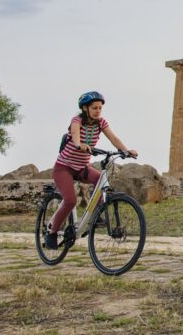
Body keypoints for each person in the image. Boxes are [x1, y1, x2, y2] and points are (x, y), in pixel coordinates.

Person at [46, 91, 137, 249]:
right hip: (64, 168)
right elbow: (75, 135)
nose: (98, 110)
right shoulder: (77, 120)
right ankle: (52, 232)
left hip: (81, 167)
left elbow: (113, 138)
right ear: (85, 108)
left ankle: (96, 214)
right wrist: (79, 144)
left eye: (100, 108)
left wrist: (126, 150)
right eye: (94, 108)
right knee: (70, 200)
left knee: (101, 181)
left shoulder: (101, 123)